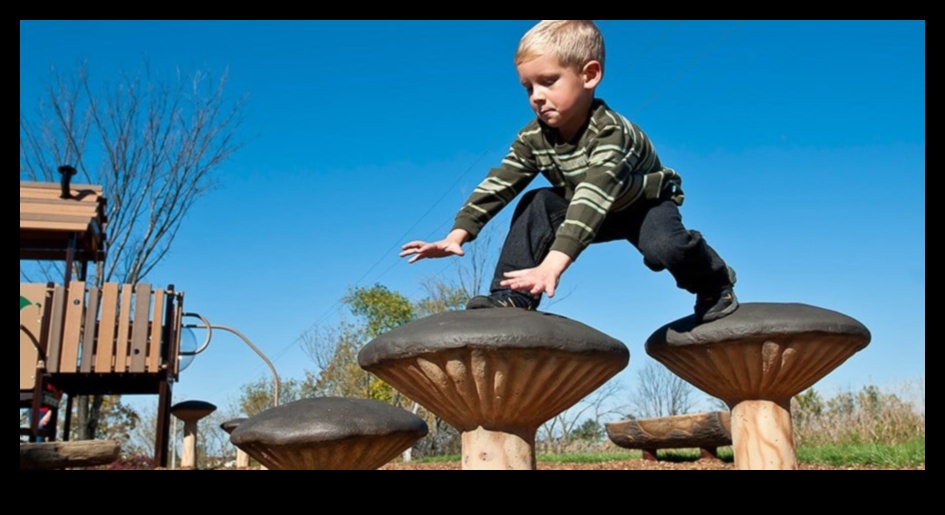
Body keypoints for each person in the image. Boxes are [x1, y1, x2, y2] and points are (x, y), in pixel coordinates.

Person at [400, 20, 738, 322]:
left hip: (643, 204)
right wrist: (457, 235)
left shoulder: (612, 133)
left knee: (666, 247)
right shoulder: (534, 137)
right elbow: (500, 182)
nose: (537, 97)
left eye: (548, 82)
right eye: (528, 87)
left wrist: (553, 265)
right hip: (585, 205)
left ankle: (713, 283)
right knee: (539, 203)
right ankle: (512, 294)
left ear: (589, 75)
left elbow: (593, 196)